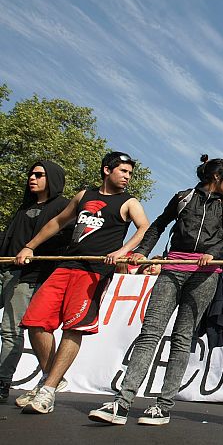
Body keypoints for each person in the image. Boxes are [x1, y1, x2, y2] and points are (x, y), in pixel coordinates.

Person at [89, 155, 223, 426]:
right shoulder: (182, 198)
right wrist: (142, 252)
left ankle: (163, 406)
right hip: (171, 270)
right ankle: (122, 402)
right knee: (150, 333)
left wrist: (214, 253)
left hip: (205, 277)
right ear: (217, 177)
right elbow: (158, 225)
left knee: (183, 338)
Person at [14, 152, 149, 414]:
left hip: (94, 271)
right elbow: (57, 221)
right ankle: (52, 377)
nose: (127, 177)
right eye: (123, 171)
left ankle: (48, 390)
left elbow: (143, 227)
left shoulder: (129, 202)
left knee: (74, 327)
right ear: (107, 170)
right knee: (35, 321)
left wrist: (123, 252)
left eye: (130, 173)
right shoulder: (84, 195)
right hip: (66, 264)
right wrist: (29, 246)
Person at [0, 162, 70, 404]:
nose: (32, 178)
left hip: (30, 277)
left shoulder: (62, 206)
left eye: (39, 174)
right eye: (31, 173)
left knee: (11, 330)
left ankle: (3, 383)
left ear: (51, 178)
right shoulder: (24, 206)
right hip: (6, 269)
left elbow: (66, 241)